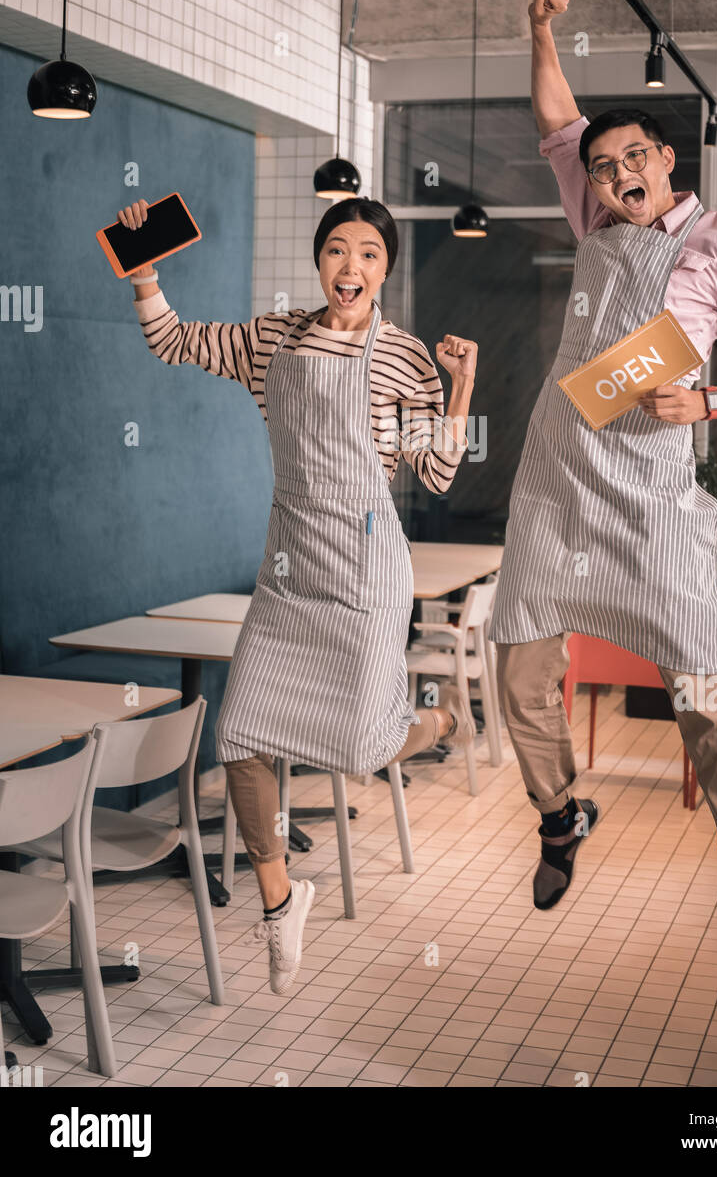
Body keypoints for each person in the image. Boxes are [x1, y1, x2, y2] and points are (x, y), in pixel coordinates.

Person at [487, 0, 717, 995]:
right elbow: (555, 116)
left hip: (653, 494)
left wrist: (710, 404)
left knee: (704, 693)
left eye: (634, 156)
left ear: (668, 159)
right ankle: (558, 811)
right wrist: (537, 27)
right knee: (517, 665)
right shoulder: (588, 212)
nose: (617, 173)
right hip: (555, 474)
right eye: (601, 162)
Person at [120, 195, 478, 993]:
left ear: (384, 270)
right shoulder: (271, 338)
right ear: (319, 260)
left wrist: (459, 391)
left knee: (364, 749)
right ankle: (282, 904)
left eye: (371, 255)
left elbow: (439, 473)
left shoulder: (405, 357)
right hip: (288, 568)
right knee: (241, 733)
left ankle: (444, 717)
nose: (352, 267)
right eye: (339, 250)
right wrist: (144, 273)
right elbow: (174, 340)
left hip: (368, 565)